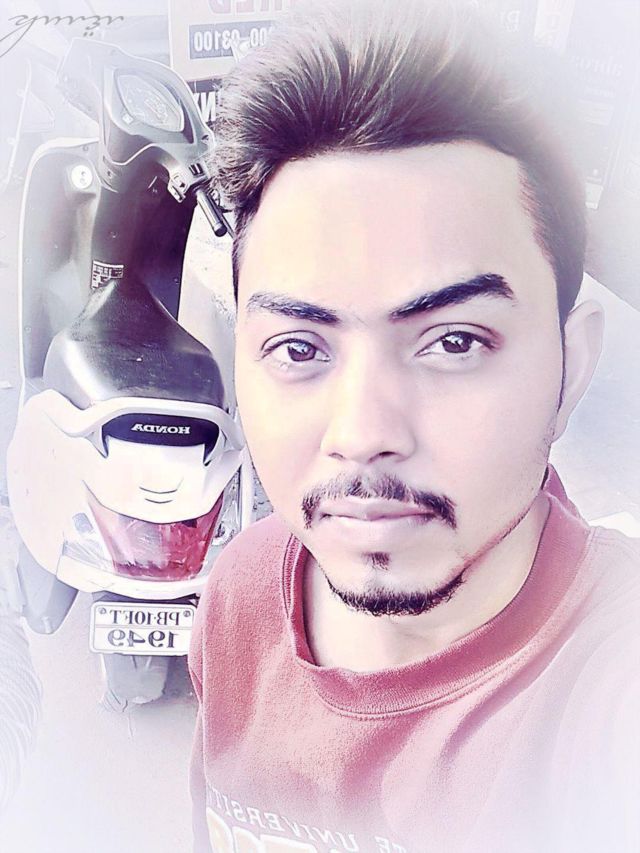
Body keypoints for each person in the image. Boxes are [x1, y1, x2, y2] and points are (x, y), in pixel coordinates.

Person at [188, 1, 640, 851]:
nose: (363, 432)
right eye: (298, 347)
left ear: (570, 368)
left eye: (454, 342)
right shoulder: (240, 595)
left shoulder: (612, 692)